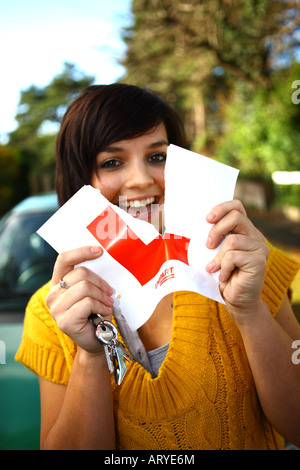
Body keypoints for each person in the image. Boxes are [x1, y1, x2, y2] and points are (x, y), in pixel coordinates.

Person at [16, 84, 300, 450]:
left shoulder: (245, 261)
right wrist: (90, 355)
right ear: (80, 178)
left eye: (157, 157)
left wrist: (250, 311)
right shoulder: (50, 313)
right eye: (112, 162)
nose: (142, 180)